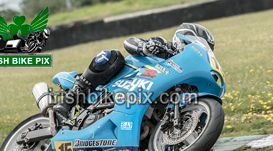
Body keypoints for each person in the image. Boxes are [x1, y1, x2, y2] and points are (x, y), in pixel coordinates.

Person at [53, 23, 215, 117]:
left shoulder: (184, 76)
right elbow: (129, 42)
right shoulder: (162, 45)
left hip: (143, 100)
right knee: (111, 56)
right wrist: (145, 46)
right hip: (121, 83)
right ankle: (68, 101)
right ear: (182, 39)